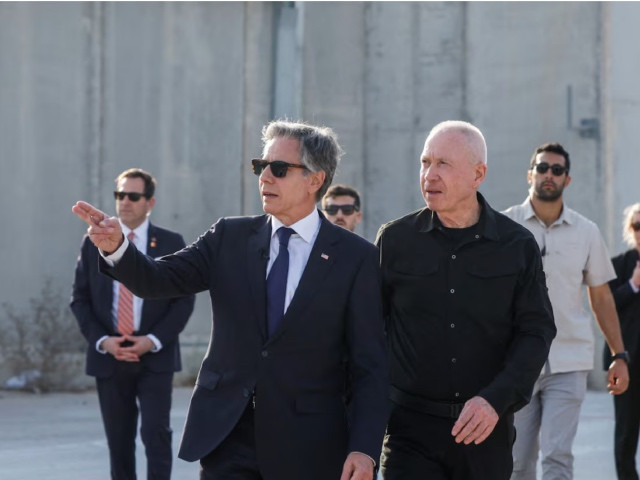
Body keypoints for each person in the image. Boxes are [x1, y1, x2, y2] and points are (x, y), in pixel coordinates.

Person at [72, 120, 389, 480]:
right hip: (227, 435)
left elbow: (370, 366)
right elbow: (157, 279)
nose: (265, 177)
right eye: (261, 166)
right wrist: (117, 248)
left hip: (310, 442)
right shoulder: (229, 237)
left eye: (279, 169)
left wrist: (364, 449)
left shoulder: (355, 257)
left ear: (315, 180)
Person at [376, 120, 556, 480]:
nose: (430, 174)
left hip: (484, 432)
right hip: (408, 433)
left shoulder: (516, 246)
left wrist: (496, 399)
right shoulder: (395, 241)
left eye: (443, 163)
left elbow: (536, 331)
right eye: (426, 162)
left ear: (478, 174)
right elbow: (366, 332)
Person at [503, 142, 629, 480]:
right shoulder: (504, 227)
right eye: (542, 168)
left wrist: (620, 354)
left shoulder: (586, 231)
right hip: (516, 361)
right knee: (517, 462)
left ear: (567, 180)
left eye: (557, 170)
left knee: (558, 457)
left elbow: (601, 297)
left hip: (569, 361)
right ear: (530, 174)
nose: (549, 175)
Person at [70, 168, 195, 480]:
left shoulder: (170, 241)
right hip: (110, 356)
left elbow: (183, 300)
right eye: (119, 195)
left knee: (156, 433)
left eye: (133, 196)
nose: (124, 201)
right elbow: (80, 299)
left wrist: (152, 339)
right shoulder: (93, 242)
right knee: (118, 440)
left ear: (149, 202)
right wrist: (103, 341)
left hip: (154, 354)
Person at [604, 202, 640, 479]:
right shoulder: (618, 265)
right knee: (625, 437)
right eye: (637, 225)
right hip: (626, 364)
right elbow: (603, 306)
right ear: (630, 230)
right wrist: (633, 285)